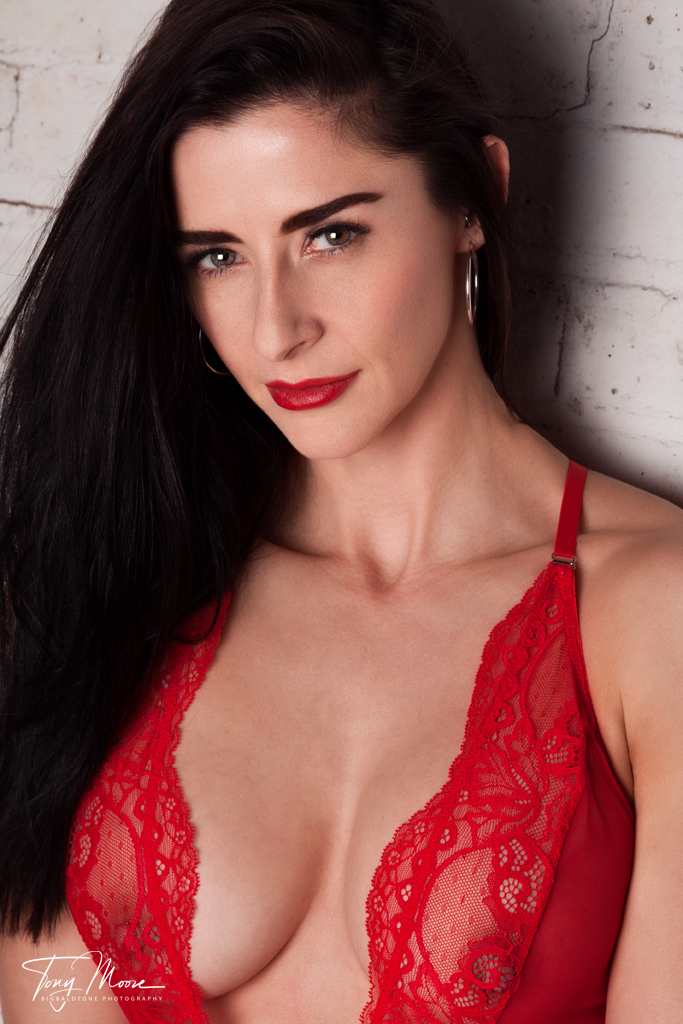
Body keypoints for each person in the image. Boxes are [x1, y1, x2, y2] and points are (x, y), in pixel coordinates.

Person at [0, 0, 681, 1021]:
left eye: (329, 235)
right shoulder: (127, 570)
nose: (274, 330)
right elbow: (58, 989)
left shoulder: (649, 613)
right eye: (216, 256)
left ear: (473, 198)